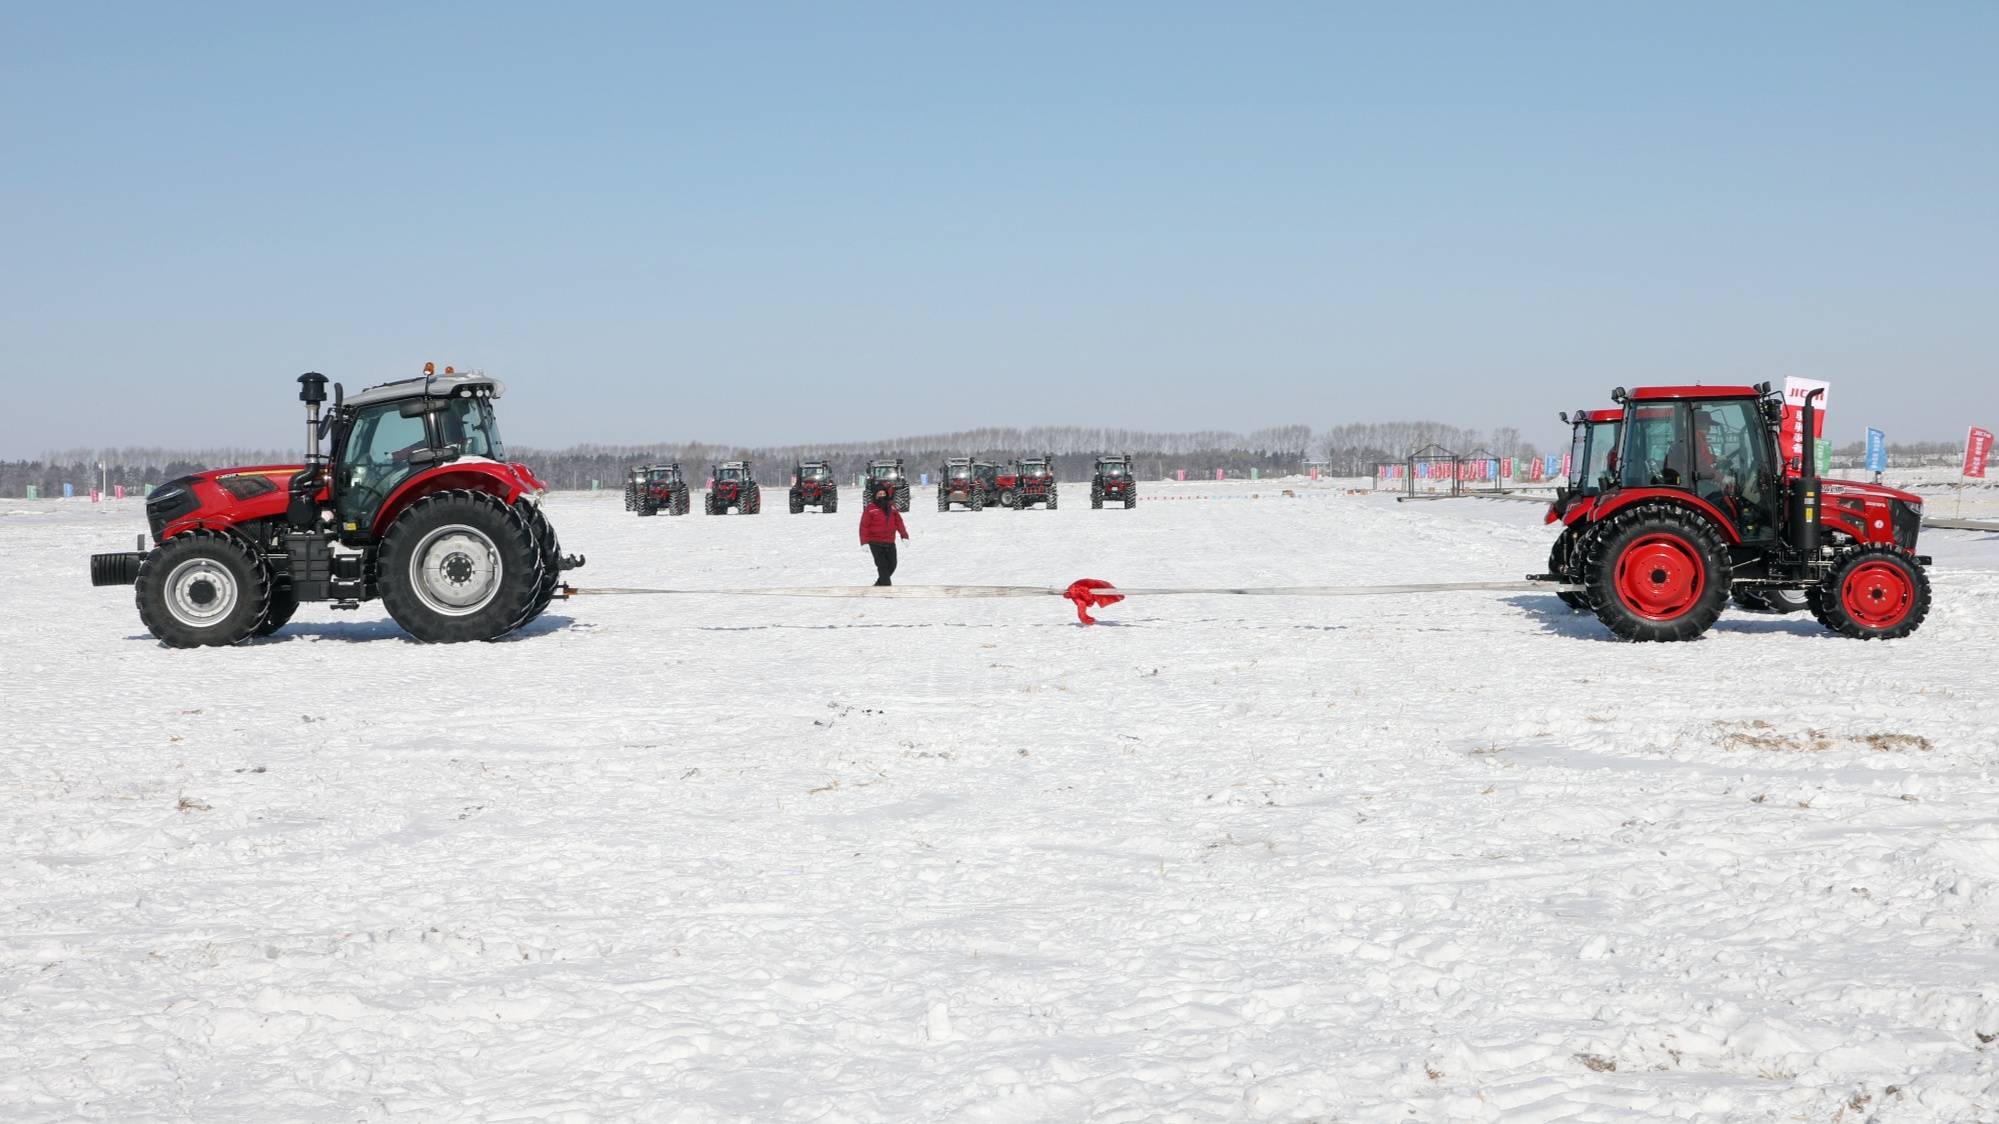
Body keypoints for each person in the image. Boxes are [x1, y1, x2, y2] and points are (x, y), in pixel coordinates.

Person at [859, 486, 910, 586]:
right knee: (882, 566)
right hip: (875, 542)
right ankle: (887, 589)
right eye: (879, 494)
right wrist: (864, 542)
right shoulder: (870, 508)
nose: (882, 496)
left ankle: (878, 585)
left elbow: (899, 522)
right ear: (875, 495)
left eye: (883, 494)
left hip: (890, 542)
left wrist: (904, 536)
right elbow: (864, 526)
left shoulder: (892, 507)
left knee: (892, 565)